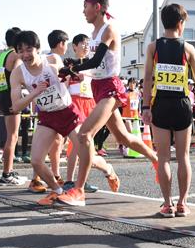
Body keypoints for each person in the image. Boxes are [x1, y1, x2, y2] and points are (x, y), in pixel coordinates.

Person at [57, 0, 158, 206]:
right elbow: (93, 67)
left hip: (111, 87)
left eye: (86, 5)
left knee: (85, 135)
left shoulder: (108, 29)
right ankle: (155, 158)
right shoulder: (92, 35)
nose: (83, 10)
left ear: (97, 7)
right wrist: (73, 69)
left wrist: (73, 68)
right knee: (123, 138)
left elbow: (95, 62)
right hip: (98, 86)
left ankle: (78, 190)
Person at [9, 30, 110, 206]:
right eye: (21, 50)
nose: (25, 54)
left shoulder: (53, 61)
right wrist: (34, 92)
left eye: (29, 49)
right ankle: (58, 190)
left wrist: (71, 78)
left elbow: (67, 76)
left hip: (67, 112)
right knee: (36, 161)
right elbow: (16, 106)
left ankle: (108, 170)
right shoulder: (17, 74)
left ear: (38, 49)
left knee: (87, 155)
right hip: (47, 117)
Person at [142, 3, 195, 217]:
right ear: (180, 23)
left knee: (164, 159)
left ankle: (167, 203)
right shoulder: (188, 48)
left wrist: (145, 106)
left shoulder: (153, 47)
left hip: (160, 104)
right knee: (184, 157)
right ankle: (182, 203)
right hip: (181, 105)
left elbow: (148, 78)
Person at [63, 33, 119, 193]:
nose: (86, 46)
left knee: (86, 145)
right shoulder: (70, 64)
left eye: (88, 44)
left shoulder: (95, 63)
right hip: (74, 103)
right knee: (74, 145)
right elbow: (64, 85)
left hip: (91, 103)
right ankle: (68, 180)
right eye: (82, 44)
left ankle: (83, 180)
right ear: (74, 46)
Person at [27, 29, 69, 193]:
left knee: (53, 143)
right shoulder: (53, 59)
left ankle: (51, 176)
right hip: (54, 107)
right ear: (62, 44)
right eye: (66, 43)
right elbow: (62, 82)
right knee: (50, 144)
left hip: (48, 106)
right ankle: (40, 178)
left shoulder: (45, 58)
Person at [0, 27, 27, 185]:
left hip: (3, 97)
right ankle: (7, 174)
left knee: (11, 135)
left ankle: (8, 171)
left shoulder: (2, 55)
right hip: (12, 98)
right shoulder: (16, 56)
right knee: (13, 136)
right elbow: (19, 79)